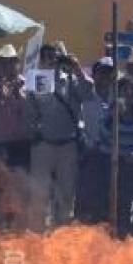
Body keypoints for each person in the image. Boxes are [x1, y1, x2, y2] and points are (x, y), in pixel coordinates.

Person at [25, 47, 94, 231]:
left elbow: (89, 93)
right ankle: (37, 235)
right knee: (39, 194)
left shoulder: (71, 80)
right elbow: (35, 106)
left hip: (67, 146)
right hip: (44, 144)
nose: (51, 60)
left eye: (54, 57)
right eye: (46, 57)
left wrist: (77, 69)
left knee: (66, 195)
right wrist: (44, 73)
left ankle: (61, 234)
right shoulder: (38, 78)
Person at [99, 74, 133, 237]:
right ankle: (117, 233)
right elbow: (103, 135)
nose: (130, 93)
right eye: (125, 89)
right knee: (118, 201)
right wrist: (114, 115)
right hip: (116, 164)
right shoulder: (110, 112)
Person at [76, 57, 116, 224]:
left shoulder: (117, 98)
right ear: (95, 75)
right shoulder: (85, 96)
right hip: (90, 153)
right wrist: (87, 143)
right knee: (86, 194)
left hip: (111, 154)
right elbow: (78, 122)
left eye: (109, 73)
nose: (105, 77)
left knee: (108, 195)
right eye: (102, 73)